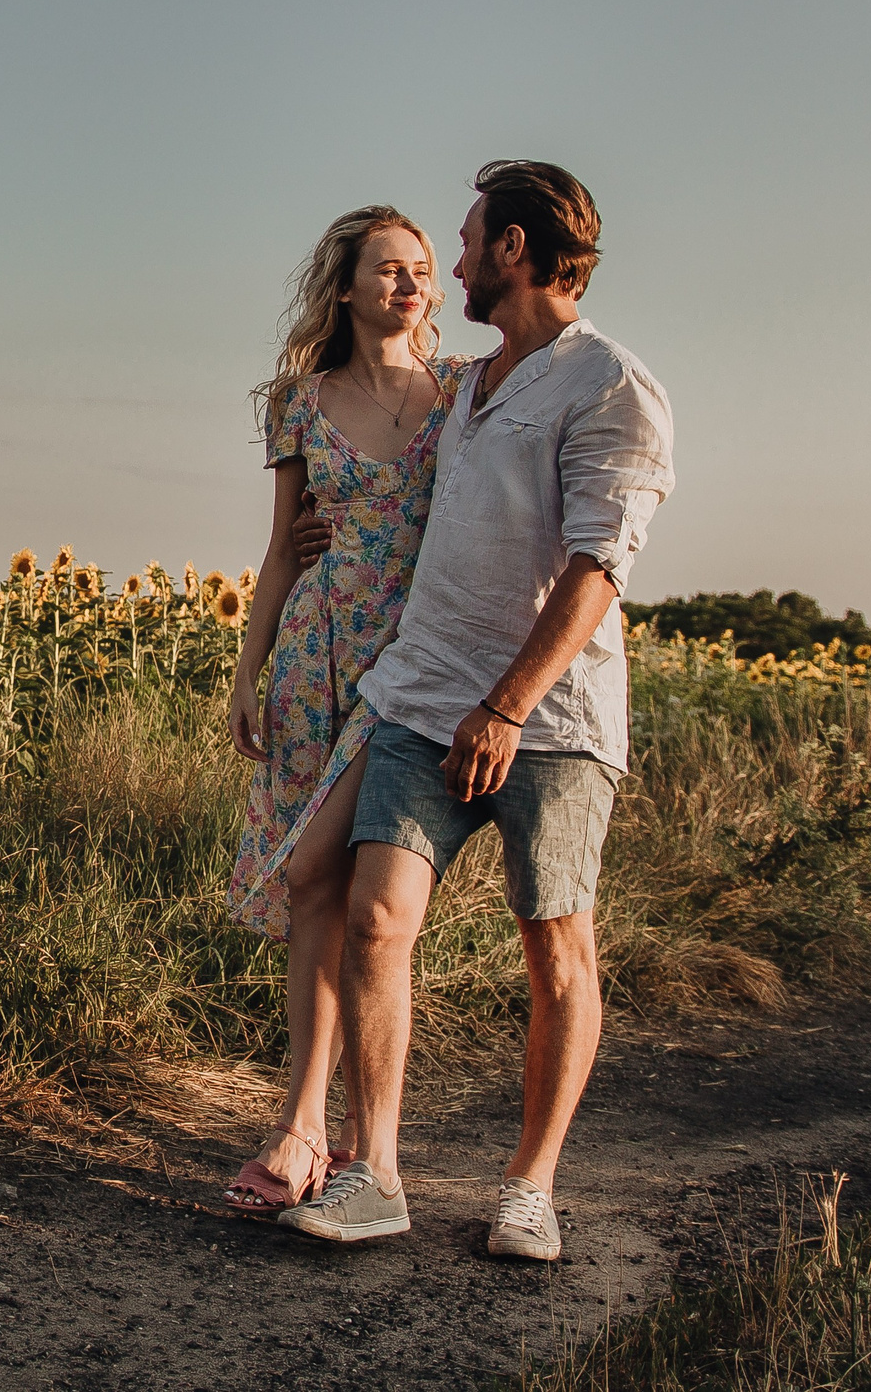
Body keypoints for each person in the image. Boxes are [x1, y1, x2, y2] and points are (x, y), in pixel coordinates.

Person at [279, 161, 673, 1261]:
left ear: (512, 249)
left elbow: (600, 565)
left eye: (461, 243)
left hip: (546, 722)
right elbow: (385, 462)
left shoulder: (611, 386)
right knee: (372, 921)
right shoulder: (473, 383)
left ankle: (528, 1187)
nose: (449, 265)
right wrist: (318, 537)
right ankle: (375, 1174)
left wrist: (504, 709)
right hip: (417, 696)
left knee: (554, 948)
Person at [220, 206, 471, 1216]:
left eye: (420, 270)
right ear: (346, 288)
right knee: (312, 896)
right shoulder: (301, 401)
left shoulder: (464, 393)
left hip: (415, 662)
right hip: (317, 656)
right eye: (387, 270)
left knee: (357, 891)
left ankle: (354, 1146)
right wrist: (247, 666)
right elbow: (284, 546)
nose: (409, 284)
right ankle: (305, 1130)